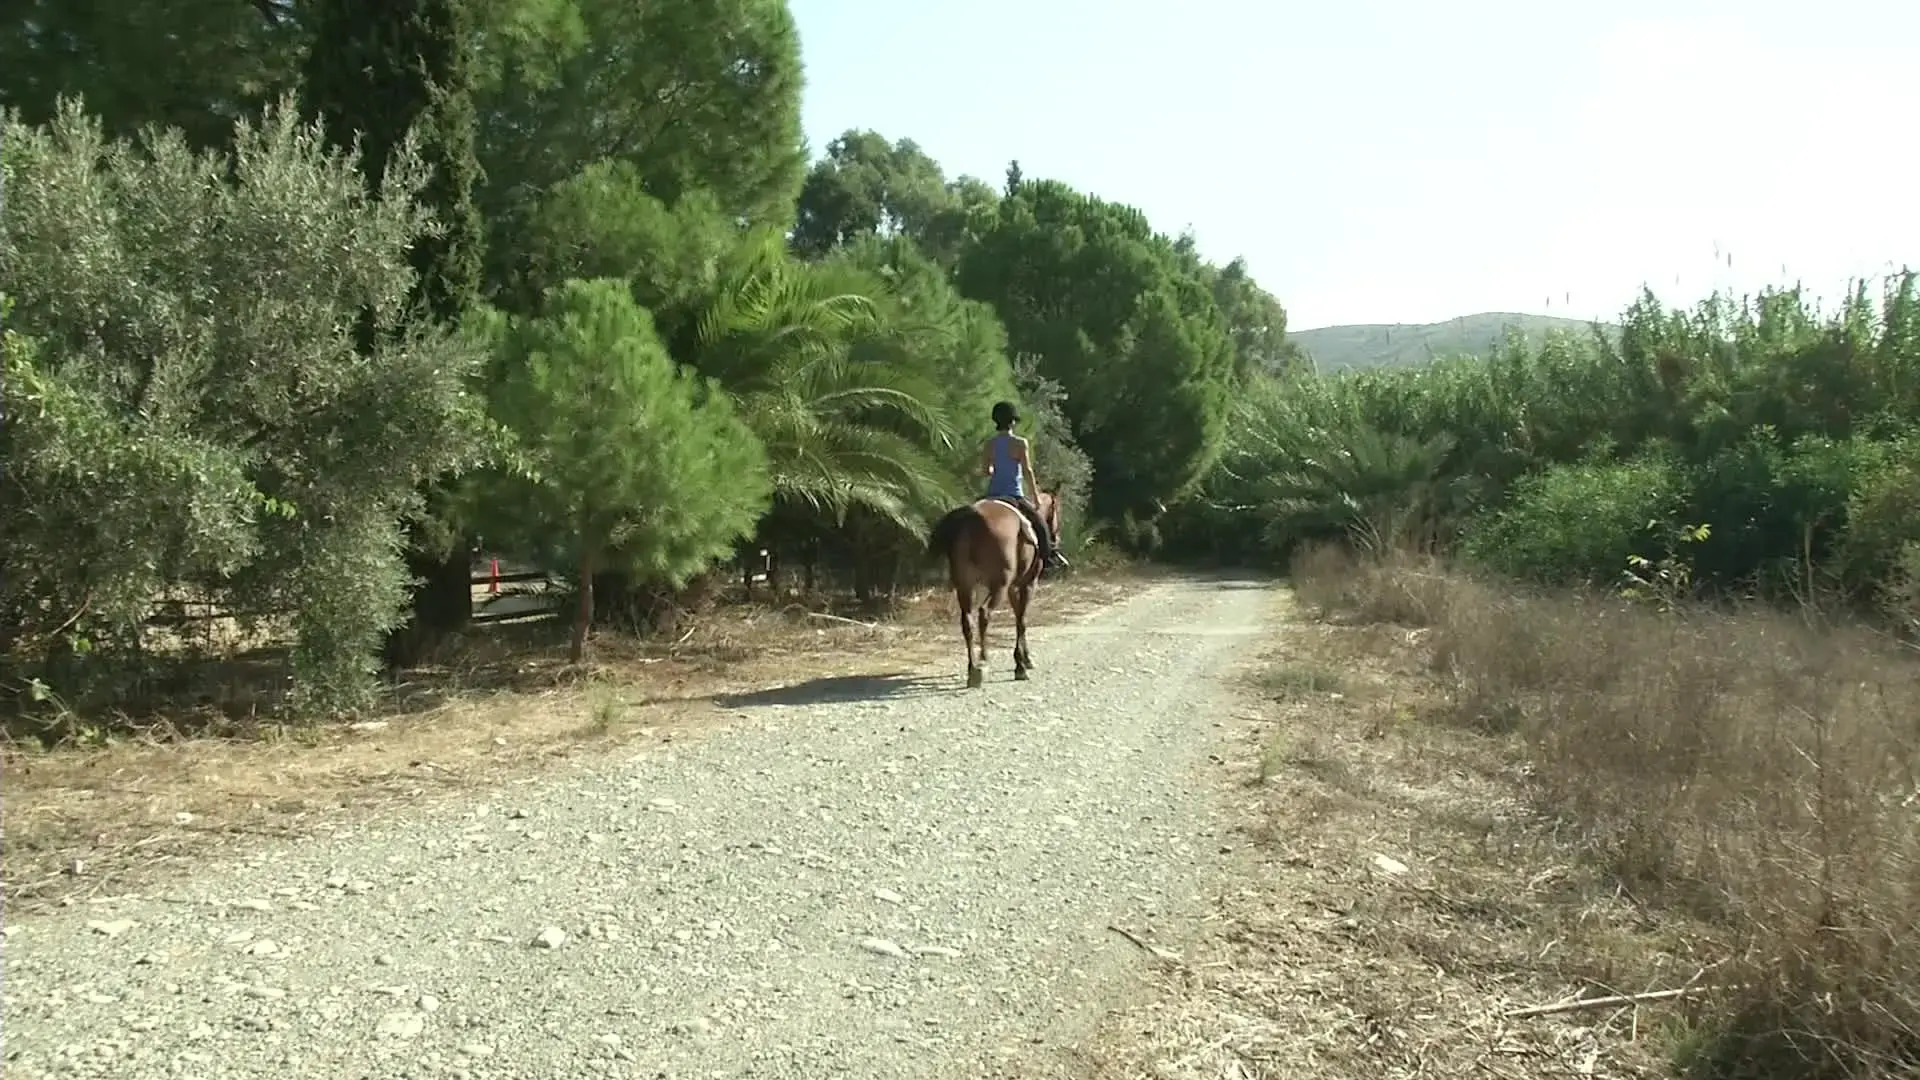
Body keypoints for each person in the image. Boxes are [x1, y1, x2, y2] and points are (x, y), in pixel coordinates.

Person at [981, 400, 1069, 570]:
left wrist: (995, 469)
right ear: (1013, 422)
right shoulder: (1020, 443)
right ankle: (1048, 558)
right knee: (1041, 527)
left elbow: (986, 471)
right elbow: (1027, 471)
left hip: (992, 494)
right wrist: (1036, 498)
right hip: (1013, 495)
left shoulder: (989, 444)